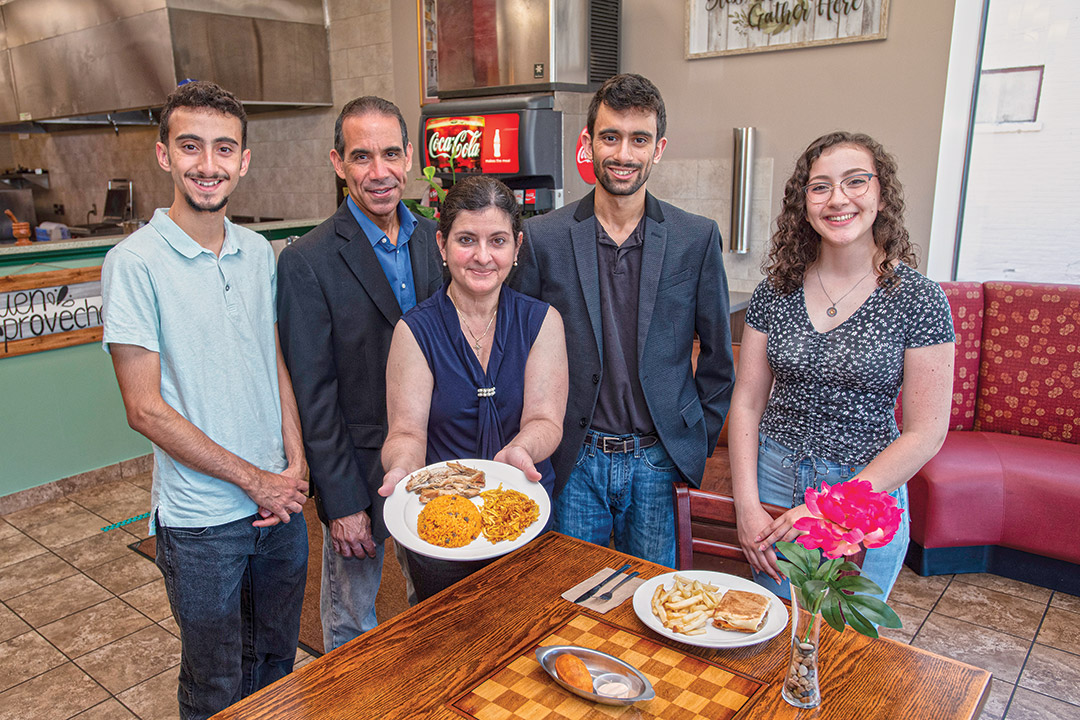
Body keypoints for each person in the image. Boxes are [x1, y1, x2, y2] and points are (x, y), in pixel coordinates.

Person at [101, 81, 308, 720]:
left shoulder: (256, 253)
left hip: (280, 509)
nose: (208, 165)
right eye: (191, 146)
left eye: (224, 149)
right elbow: (145, 409)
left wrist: (293, 465)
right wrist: (256, 481)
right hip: (201, 523)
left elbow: (271, 360)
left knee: (276, 668)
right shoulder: (132, 262)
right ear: (164, 154)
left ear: (244, 160)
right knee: (214, 687)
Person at [513, 73, 734, 567]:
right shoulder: (543, 239)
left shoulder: (694, 238)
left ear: (658, 149)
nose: (623, 154)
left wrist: (689, 446)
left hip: (658, 463)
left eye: (639, 139)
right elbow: (517, 353)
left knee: (656, 605)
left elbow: (719, 360)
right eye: (610, 137)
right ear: (588, 143)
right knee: (572, 601)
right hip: (574, 460)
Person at [730, 131, 955, 601]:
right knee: (771, 631)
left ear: (880, 193)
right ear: (804, 202)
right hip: (775, 479)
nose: (838, 199)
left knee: (847, 650)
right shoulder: (776, 290)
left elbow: (926, 432)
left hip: (866, 490)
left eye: (855, 182)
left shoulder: (919, 298)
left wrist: (831, 505)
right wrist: (746, 506)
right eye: (821, 187)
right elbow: (747, 402)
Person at [276, 96, 444, 649]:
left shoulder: (432, 240)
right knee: (351, 624)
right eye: (362, 156)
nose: (380, 172)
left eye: (391, 154)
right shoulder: (308, 260)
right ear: (338, 162)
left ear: (410, 157)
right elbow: (313, 393)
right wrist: (340, 501)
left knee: (436, 607)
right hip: (357, 470)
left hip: (430, 463)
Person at [378, 175, 568, 601]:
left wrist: (523, 449)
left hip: (521, 516)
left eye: (497, 241)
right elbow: (407, 433)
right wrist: (401, 467)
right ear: (442, 245)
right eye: (467, 239)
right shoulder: (415, 331)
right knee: (444, 648)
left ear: (517, 247)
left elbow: (545, 419)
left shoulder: (542, 322)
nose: (483, 257)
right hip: (440, 526)